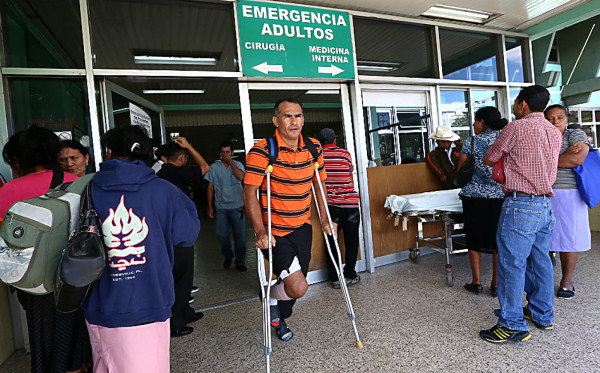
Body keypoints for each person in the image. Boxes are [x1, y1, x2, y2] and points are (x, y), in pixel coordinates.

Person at [84, 125, 200, 372]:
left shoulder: (86, 189)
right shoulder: (165, 190)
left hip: (99, 301)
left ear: (109, 152)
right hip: (151, 299)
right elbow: (186, 236)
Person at [0, 126, 91, 373]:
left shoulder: (9, 191)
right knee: (78, 329)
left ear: (19, 159)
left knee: (45, 337)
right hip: (79, 274)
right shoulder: (80, 184)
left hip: (36, 281)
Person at [480, 85, 562, 343]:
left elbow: (490, 158)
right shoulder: (554, 130)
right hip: (546, 207)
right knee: (542, 262)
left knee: (511, 264)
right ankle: (542, 314)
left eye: (516, 102)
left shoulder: (515, 128)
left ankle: (512, 324)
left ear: (522, 104)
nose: (515, 107)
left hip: (520, 204)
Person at [244, 98, 331, 342]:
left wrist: (325, 218)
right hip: (274, 232)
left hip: (302, 227)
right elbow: (250, 192)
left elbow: (320, 184)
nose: (295, 121)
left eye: (299, 115)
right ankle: (271, 300)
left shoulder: (314, 148)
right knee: (298, 287)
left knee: (291, 292)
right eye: (287, 116)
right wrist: (260, 231)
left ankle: (274, 307)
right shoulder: (262, 151)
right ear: (276, 120)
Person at [155, 138, 208, 336]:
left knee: (178, 276)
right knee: (182, 278)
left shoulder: (158, 175)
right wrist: (189, 145)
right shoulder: (177, 172)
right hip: (179, 233)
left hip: (166, 232)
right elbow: (204, 167)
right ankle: (176, 323)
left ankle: (186, 311)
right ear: (183, 157)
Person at [457, 107, 507, 297]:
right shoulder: (505, 140)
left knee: (474, 237)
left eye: (476, 120)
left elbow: (462, 170)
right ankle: (495, 283)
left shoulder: (470, 142)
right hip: (499, 196)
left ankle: (476, 282)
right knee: (497, 240)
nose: (473, 124)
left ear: (483, 122)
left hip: (473, 197)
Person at [544, 104, 591, 299]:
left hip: (570, 192)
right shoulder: (541, 135)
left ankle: (567, 281)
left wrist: (546, 158)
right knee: (544, 238)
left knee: (569, 239)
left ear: (566, 118)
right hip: (544, 191)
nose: (555, 122)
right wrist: (564, 157)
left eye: (560, 117)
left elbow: (577, 159)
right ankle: (544, 279)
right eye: (550, 118)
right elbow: (567, 159)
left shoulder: (575, 135)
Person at [317, 128, 361, 289]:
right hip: (350, 205)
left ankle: (335, 278)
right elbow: (350, 172)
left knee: (332, 242)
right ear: (334, 140)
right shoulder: (345, 154)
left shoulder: (317, 156)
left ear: (320, 141)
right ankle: (350, 274)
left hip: (331, 208)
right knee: (352, 241)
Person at [205, 141, 247, 271]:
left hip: (237, 206)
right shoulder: (214, 167)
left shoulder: (238, 165)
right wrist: (210, 206)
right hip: (221, 207)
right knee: (221, 235)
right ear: (220, 153)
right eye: (223, 152)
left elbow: (241, 177)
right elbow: (210, 187)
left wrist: (231, 162)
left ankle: (240, 262)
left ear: (232, 153)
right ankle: (228, 255)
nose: (225, 155)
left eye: (228, 152)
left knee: (239, 236)